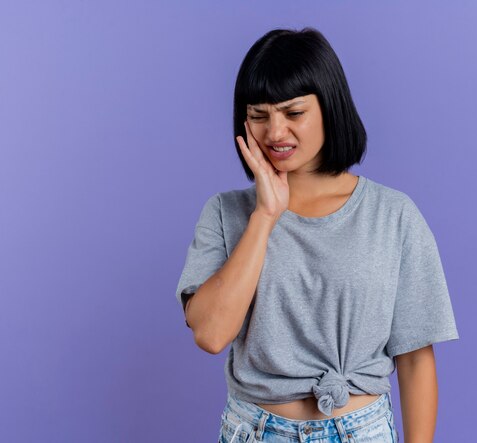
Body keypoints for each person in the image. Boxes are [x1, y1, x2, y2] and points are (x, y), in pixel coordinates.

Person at [175, 27, 460, 443]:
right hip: (256, 431)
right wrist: (265, 215)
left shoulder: (393, 215)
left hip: (362, 431)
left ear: (330, 107)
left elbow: (416, 360)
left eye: (293, 113)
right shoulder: (224, 213)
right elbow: (212, 334)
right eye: (258, 115)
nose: (274, 133)